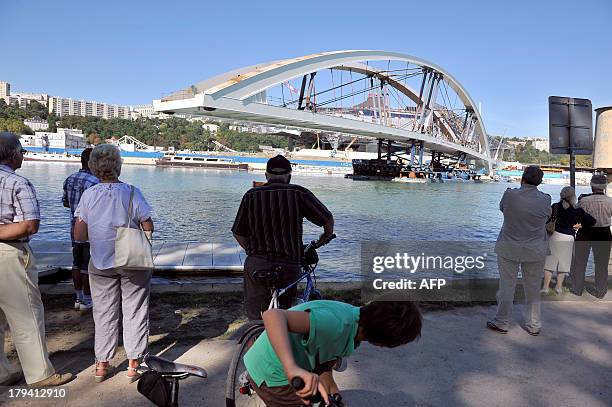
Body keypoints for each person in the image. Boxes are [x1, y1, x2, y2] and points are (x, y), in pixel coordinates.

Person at [73, 144, 154, 383]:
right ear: (118, 166)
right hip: (131, 259)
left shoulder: (89, 195)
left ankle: (101, 364)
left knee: (104, 313)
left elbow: (79, 234)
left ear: (93, 167)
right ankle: (133, 362)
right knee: (135, 310)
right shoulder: (131, 192)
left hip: (100, 260)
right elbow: (147, 224)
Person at [243, 300, 422, 406]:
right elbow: (272, 315)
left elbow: (325, 359)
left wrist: (332, 391)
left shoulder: (356, 321)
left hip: (285, 363)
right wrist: (291, 369)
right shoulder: (335, 324)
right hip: (272, 373)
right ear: (384, 342)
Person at [0, 132, 73, 386]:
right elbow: (30, 225)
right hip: (9, 254)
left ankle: (2, 371)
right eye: (21, 151)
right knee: (27, 314)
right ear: (12, 155)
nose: (23, 156)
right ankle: (40, 374)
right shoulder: (17, 183)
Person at [232, 155, 334, 320]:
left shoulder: (251, 195)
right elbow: (327, 220)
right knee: (284, 316)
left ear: (266, 175)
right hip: (288, 264)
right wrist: (323, 239)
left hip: (257, 263)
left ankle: (254, 336)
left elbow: (238, 232)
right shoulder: (299, 193)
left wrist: (252, 251)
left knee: (255, 316)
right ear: (289, 176)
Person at [488, 166, 551, 336]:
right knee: (532, 287)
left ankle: (502, 321)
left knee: (507, 286)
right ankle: (534, 324)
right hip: (535, 249)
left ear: (522, 177)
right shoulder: (546, 199)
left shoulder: (510, 195)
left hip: (509, 246)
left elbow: (503, 209)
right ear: (540, 181)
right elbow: (547, 216)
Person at [62, 147, 98, 311]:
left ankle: (78, 297)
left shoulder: (70, 179)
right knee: (87, 265)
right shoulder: (94, 182)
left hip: (73, 227)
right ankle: (88, 299)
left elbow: (66, 203)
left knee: (76, 263)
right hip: (90, 230)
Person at [541, 186, 595, 295]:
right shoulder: (577, 210)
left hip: (554, 236)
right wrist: (577, 226)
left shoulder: (555, 206)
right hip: (568, 238)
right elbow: (592, 221)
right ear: (573, 196)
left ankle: (545, 287)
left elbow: (546, 220)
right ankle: (559, 287)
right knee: (563, 263)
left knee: (550, 263)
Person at [570, 174, 612, 298]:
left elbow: (576, 216)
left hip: (585, 232)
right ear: (604, 186)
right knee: (602, 263)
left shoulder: (583, 201)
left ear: (591, 185)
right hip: (604, 232)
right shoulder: (610, 201)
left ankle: (577, 289)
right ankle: (600, 291)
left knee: (580, 262)